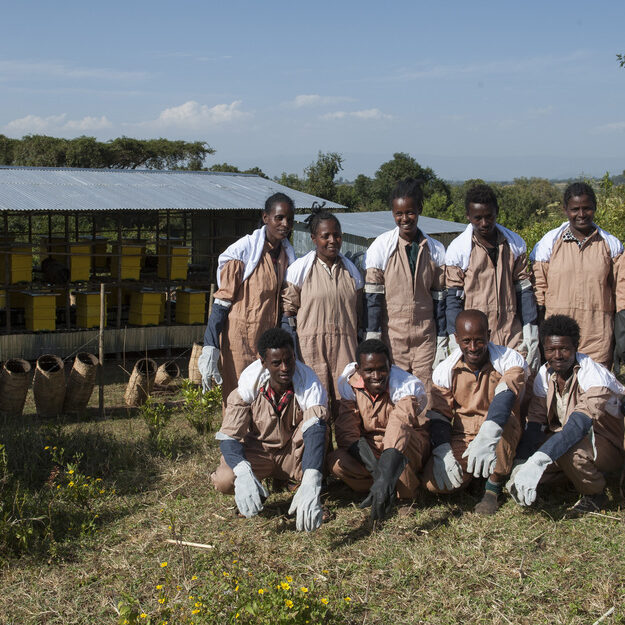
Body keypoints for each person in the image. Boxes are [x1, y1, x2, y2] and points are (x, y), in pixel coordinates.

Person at [211, 328, 329, 531]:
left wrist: (312, 479)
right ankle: (257, 489)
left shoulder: (309, 383)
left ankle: (307, 490)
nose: (285, 368)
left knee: (319, 429)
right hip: (260, 452)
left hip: (293, 454)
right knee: (225, 480)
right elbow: (229, 437)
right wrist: (243, 471)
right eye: (276, 363)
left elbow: (315, 433)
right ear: (263, 362)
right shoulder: (248, 386)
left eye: (289, 360)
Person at [508, 315, 625, 514]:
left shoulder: (594, 375)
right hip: (577, 437)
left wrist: (540, 460)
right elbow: (535, 421)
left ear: (576, 347)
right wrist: (521, 463)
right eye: (551, 350)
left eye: (564, 348)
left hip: (611, 441)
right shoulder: (545, 375)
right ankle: (577, 478)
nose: (558, 355)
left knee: (571, 453)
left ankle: (595, 494)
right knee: (534, 469)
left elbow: (579, 424)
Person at [422, 309, 528, 515]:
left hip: (498, 431)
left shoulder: (509, 360)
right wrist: (443, 450)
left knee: (504, 422)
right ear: (456, 339)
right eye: (466, 341)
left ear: (489, 335)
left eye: (479, 340)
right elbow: (440, 414)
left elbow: (506, 396)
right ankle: (473, 476)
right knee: (434, 485)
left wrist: (488, 433)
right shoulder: (445, 370)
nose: (473, 348)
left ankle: (493, 487)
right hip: (464, 436)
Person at [198, 193, 296, 405]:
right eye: (279, 218)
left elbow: (286, 306)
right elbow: (221, 304)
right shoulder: (243, 252)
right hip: (238, 341)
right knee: (238, 398)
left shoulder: (287, 257)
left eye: (289, 219)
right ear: (265, 217)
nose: (285, 224)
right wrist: (210, 345)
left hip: (268, 343)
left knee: (264, 400)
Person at [327, 339, 430, 520]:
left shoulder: (404, 387)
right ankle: (381, 487)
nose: (376, 376)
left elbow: (400, 424)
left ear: (390, 366)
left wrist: (386, 471)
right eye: (369, 370)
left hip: (402, 446)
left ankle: (406, 496)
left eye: (382, 369)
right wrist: (379, 473)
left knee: (403, 443)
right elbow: (347, 432)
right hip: (372, 449)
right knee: (336, 462)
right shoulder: (350, 385)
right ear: (359, 369)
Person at [530, 182, 625, 368]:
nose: (581, 215)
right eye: (575, 209)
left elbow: (621, 294)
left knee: (596, 391)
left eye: (587, 208)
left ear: (595, 208)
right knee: (560, 391)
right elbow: (538, 292)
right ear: (565, 210)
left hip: (598, 335)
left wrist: (621, 340)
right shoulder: (548, 245)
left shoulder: (611, 246)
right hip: (558, 339)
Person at [445, 184, 539, 371]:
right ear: (468, 217)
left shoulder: (514, 244)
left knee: (517, 381)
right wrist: (453, 335)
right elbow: (453, 299)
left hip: (511, 330)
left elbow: (524, 290)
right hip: (476, 337)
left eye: (489, 216)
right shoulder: (459, 250)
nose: (484, 223)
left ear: (496, 212)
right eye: (477, 218)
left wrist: (530, 328)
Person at [363, 177, 446, 384]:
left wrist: (443, 337)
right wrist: (374, 339)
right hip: (393, 336)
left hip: (425, 335)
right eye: (399, 214)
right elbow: (373, 300)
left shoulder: (435, 249)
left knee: (425, 391)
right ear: (393, 213)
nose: (405, 218)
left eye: (410, 212)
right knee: (397, 390)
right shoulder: (381, 248)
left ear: (419, 209)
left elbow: (440, 299)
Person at [281, 208, 363, 418]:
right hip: (310, 349)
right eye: (325, 236)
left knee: (347, 403)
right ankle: (319, 449)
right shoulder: (300, 270)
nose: (332, 240)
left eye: (336, 235)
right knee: (315, 404)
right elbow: (288, 312)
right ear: (313, 238)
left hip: (345, 348)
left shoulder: (352, 272)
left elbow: (360, 312)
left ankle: (345, 449)